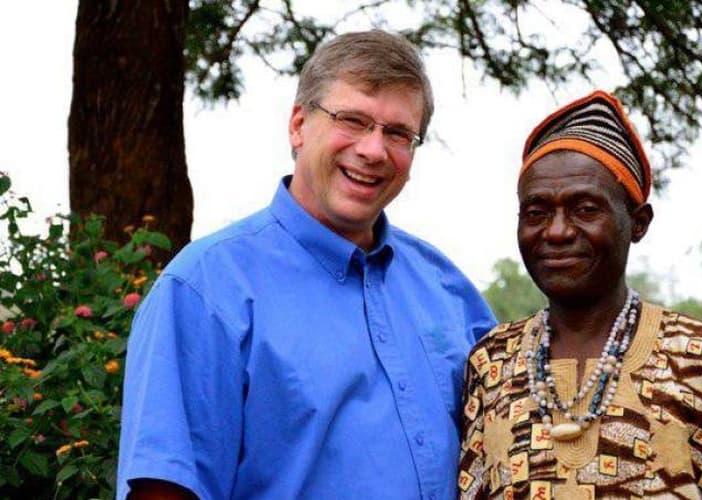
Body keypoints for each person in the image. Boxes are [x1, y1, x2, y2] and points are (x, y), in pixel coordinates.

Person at [117, 30, 496, 500]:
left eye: (398, 133)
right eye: (352, 120)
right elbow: (165, 490)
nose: (374, 150)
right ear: (298, 124)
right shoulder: (205, 290)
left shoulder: (447, 288)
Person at [458, 90, 702, 499]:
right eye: (536, 213)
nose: (556, 231)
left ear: (638, 223)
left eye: (585, 209)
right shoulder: (492, 363)